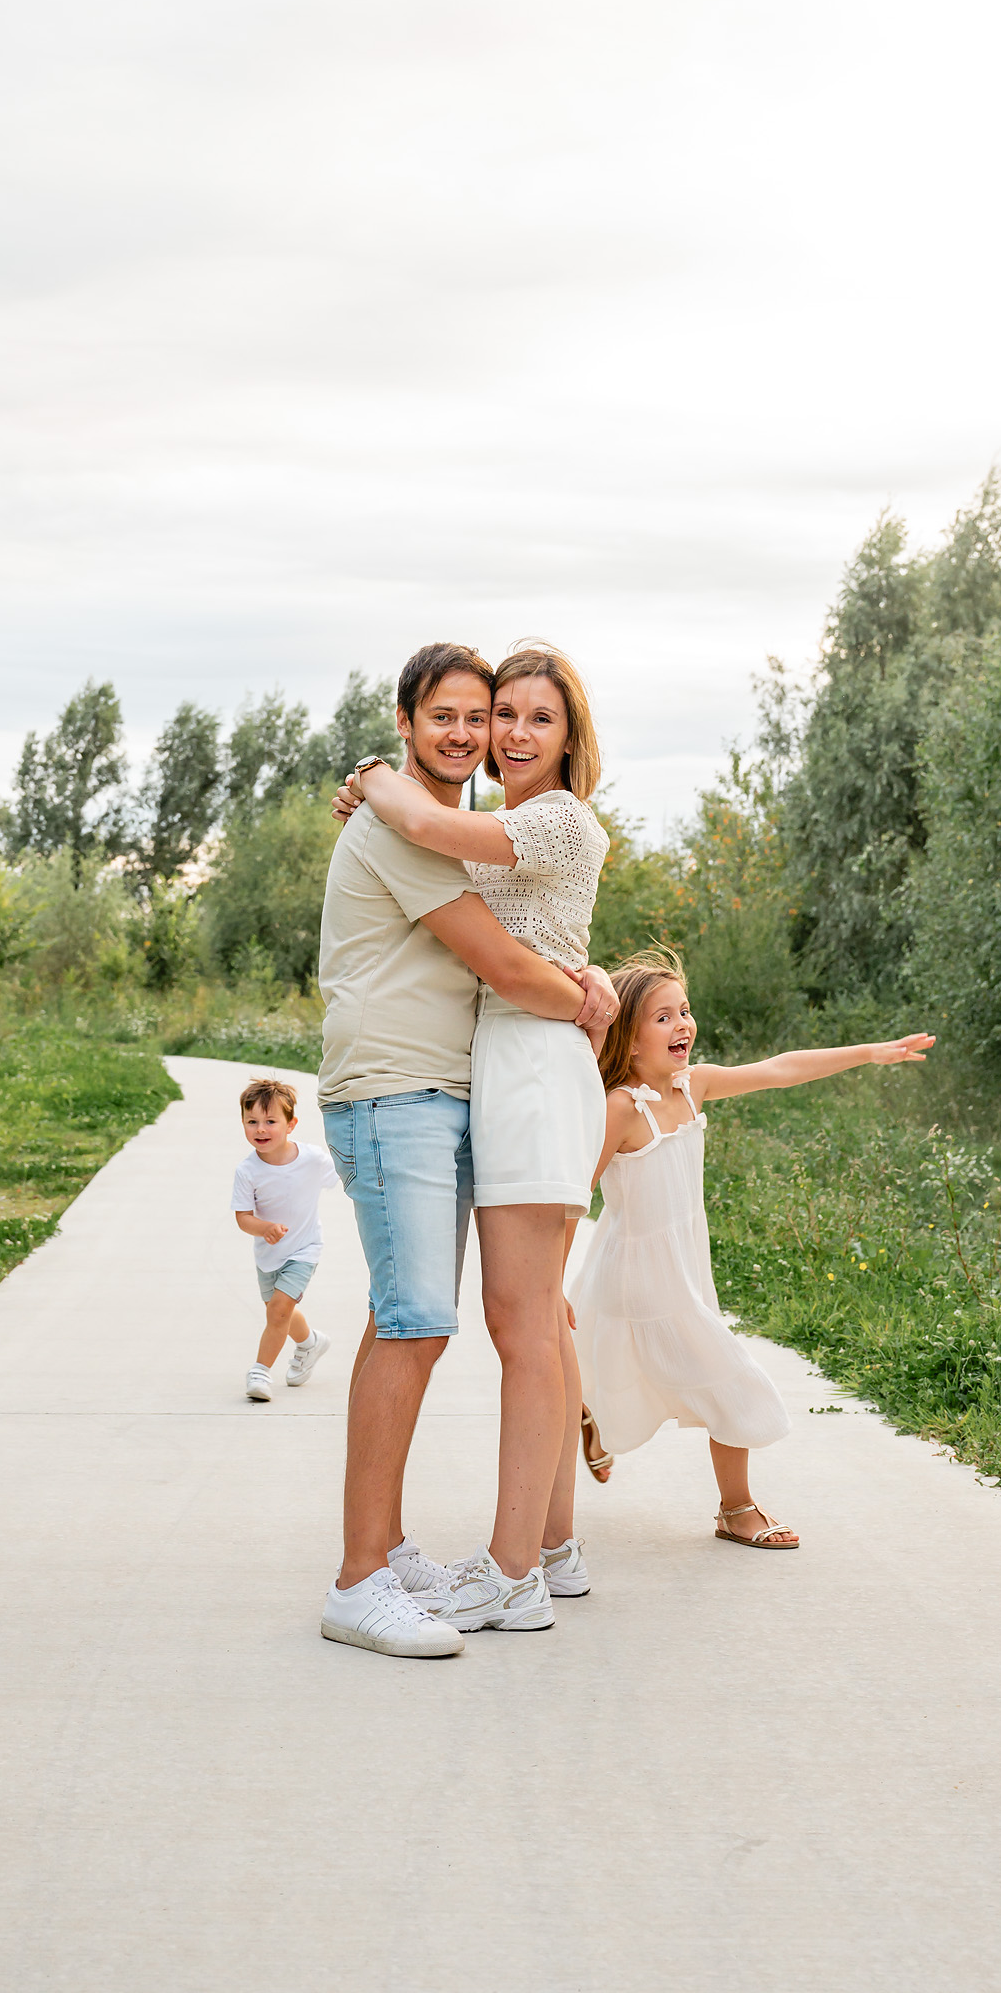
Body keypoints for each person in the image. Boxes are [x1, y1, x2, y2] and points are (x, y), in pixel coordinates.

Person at [317, 642, 618, 1659]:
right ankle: (369, 1573)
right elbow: (506, 958)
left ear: (566, 734)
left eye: (491, 715)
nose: (480, 732)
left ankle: (494, 1559)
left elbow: (528, 939)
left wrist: (586, 985)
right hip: (406, 1086)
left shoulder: (483, 826)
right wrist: (586, 990)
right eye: (454, 714)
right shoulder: (417, 822)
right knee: (424, 1321)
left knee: (498, 1319)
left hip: (477, 1084)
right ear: (405, 722)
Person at [572, 949, 934, 1547]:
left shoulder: (694, 1088)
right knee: (728, 1380)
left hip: (685, 1265)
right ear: (628, 1040)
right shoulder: (620, 1108)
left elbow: (781, 1068)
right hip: (639, 1273)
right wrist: (549, 1278)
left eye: (684, 1011)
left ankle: (594, 1420)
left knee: (634, 1367)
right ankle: (736, 1509)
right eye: (662, 1018)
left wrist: (870, 1053)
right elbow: (573, 1194)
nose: (682, 1025)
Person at [232, 1078, 335, 1403]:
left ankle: (260, 1371)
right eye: (252, 1122)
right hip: (269, 1254)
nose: (260, 1129)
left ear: (291, 1124)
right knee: (281, 1314)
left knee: (278, 1311)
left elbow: (345, 1178)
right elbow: (243, 1217)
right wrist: (263, 1228)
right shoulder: (247, 1171)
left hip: (305, 1248)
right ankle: (310, 1343)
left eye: (270, 1121)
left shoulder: (313, 1159)